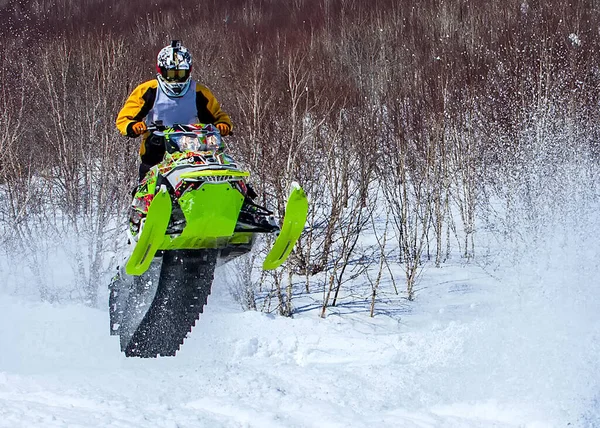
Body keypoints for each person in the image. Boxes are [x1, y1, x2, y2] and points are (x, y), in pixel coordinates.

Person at [116, 40, 233, 180]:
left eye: (181, 73)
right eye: (172, 74)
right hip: (157, 151)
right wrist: (132, 126)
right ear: (162, 71)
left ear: (188, 71)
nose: (176, 79)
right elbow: (125, 118)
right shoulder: (149, 90)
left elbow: (217, 115)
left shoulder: (199, 92)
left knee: (218, 165)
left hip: (193, 151)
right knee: (148, 186)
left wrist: (223, 125)